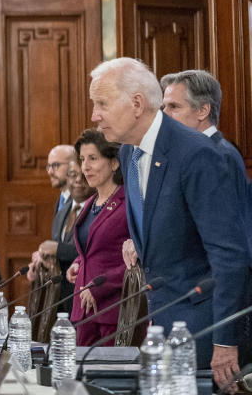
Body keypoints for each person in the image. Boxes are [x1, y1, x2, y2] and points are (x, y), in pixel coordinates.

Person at [89, 57, 248, 383]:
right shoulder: (127, 153)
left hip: (202, 324)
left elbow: (229, 255)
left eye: (102, 103)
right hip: (160, 316)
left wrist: (225, 338)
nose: (95, 115)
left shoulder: (196, 153)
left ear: (136, 104)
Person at [160, 69, 252, 263]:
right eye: (164, 107)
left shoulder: (218, 155)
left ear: (203, 110)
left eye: (173, 107)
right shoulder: (194, 153)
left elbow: (228, 237)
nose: (164, 116)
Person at [65, 129, 128, 346]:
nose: (85, 167)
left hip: (112, 311)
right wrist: (78, 263)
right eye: (82, 160)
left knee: (106, 378)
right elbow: (92, 249)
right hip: (82, 310)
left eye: (93, 158)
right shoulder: (91, 203)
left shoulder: (128, 204)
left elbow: (138, 260)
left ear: (114, 163)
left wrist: (101, 285)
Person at [28, 159, 94, 309]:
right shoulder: (62, 210)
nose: (78, 180)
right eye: (72, 174)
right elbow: (55, 251)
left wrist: (57, 249)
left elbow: (93, 249)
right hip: (60, 298)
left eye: (83, 175)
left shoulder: (98, 210)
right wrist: (43, 258)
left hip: (84, 296)